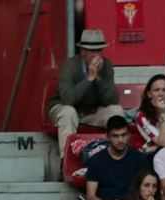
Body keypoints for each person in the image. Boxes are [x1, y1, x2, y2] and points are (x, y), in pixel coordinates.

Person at [47, 29, 125, 157]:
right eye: (91, 50)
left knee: (116, 111)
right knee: (68, 112)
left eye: (98, 50)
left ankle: (115, 157)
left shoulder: (107, 65)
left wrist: (98, 78)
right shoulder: (70, 65)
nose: (95, 54)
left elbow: (112, 99)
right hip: (63, 107)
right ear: (82, 51)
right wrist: (89, 79)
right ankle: (65, 160)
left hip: (92, 112)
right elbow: (67, 99)